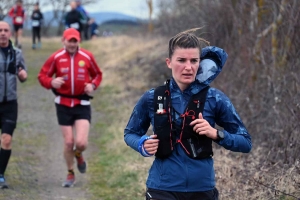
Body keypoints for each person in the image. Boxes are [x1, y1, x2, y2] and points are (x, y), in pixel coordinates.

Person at [124, 29, 252, 200]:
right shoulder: (152, 97)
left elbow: (245, 142)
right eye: (181, 60)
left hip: (202, 190)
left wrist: (215, 134)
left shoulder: (215, 98)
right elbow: (130, 133)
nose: (188, 67)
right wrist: (142, 144)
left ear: (200, 63)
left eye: (194, 61)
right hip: (161, 188)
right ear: (169, 62)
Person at [38, 28, 102, 187]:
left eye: (75, 41)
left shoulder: (87, 56)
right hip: (63, 103)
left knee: (80, 142)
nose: (72, 44)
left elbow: (98, 74)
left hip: (82, 103)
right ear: (63, 41)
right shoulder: (56, 57)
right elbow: (42, 75)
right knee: (68, 142)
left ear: (78, 41)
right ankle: (70, 173)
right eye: (69, 41)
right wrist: (51, 82)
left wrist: (93, 85)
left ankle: (79, 154)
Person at [0, 21, 27, 189]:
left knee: (7, 139)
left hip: (10, 104)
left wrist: (23, 75)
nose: (2, 33)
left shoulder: (17, 53)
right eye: (0, 30)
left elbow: (22, 74)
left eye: (5, 30)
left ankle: (0, 174)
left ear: (10, 33)